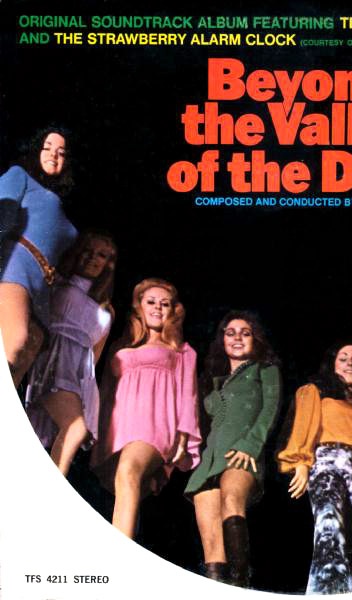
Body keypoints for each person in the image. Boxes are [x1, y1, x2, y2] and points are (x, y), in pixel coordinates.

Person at [92, 278, 201, 539]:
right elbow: (105, 391)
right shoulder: (121, 346)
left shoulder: (181, 351)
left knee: (128, 471)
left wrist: (183, 436)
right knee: (127, 487)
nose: (157, 308)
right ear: (139, 307)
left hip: (155, 426)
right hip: (119, 428)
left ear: (173, 310)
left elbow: (189, 396)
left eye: (165, 304)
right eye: (151, 302)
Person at [185, 310, 282, 587]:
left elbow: (270, 410)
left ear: (255, 339)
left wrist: (250, 445)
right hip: (209, 462)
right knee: (211, 543)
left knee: (231, 500)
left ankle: (242, 584)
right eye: (231, 333)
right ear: (222, 340)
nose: (237, 337)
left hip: (243, 454)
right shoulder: (213, 382)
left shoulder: (265, 370)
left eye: (245, 333)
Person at [278, 339, 352, 594]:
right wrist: (301, 462)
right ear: (332, 363)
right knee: (329, 527)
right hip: (329, 461)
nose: (350, 364)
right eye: (343, 358)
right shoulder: (316, 391)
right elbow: (302, 425)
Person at [25, 231, 117, 476]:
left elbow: (95, 355)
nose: (92, 258)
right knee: (75, 428)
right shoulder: (56, 282)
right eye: (88, 250)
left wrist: (87, 394)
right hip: (53, 363)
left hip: (78, 377)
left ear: (108, 264)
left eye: (101, 255)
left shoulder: (106, 309)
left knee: (54, 436)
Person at [0, 127, 78, 385]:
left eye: (61, 152)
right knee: (14, 343)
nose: (54, 155)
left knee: (19, 368)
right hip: (15, 268)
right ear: (34, 151)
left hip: (44, 290)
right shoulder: (19, 175)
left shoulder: (62, 205)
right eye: (47, 147)